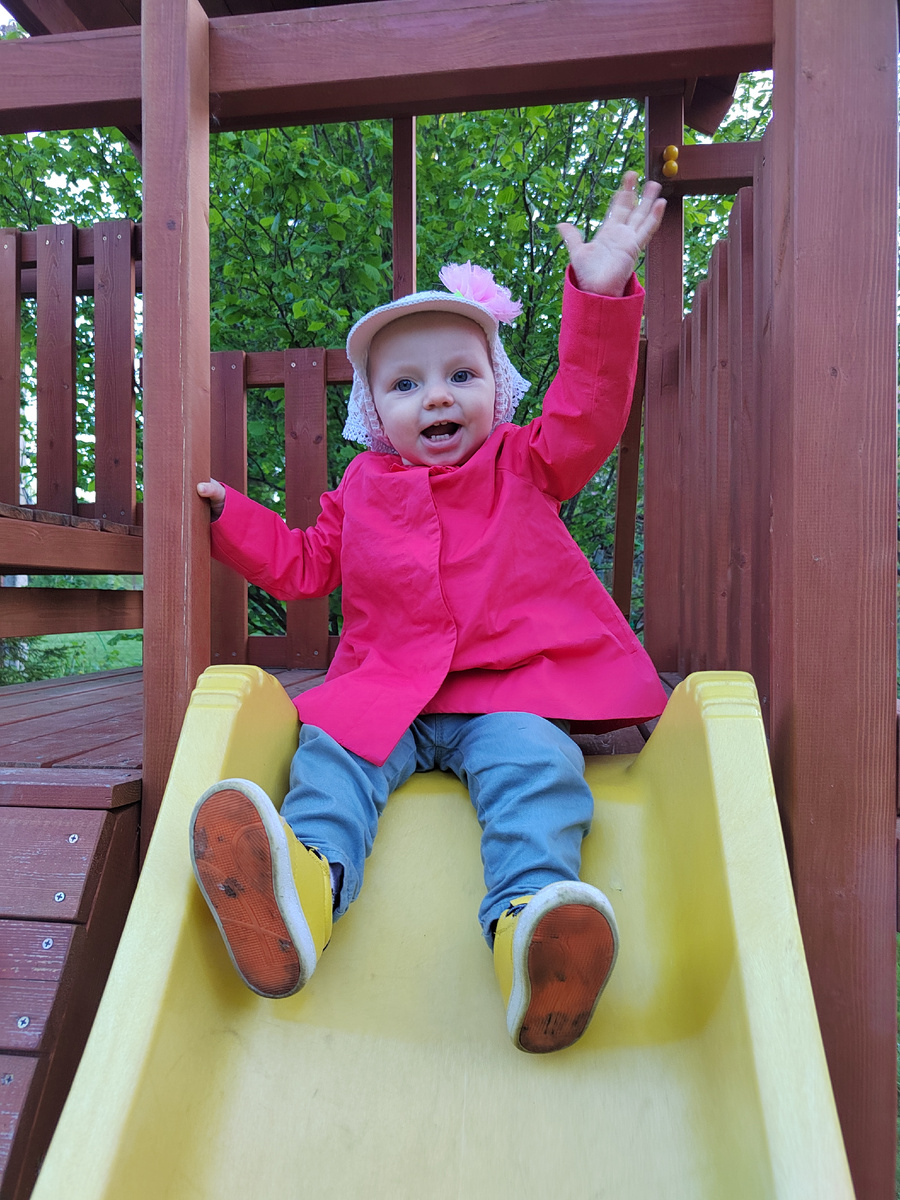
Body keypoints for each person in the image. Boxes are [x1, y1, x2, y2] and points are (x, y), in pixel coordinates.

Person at [190, 171, 668, 1054]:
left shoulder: (525, 462)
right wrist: (231, 520)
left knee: (539, 769)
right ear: (375, 413)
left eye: (461, 374)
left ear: (499, 387)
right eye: (406, 385)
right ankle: (303, 893)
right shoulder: (362, 489)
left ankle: (530, 927)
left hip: (508, 694)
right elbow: (304, 563)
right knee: (329, 761)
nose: (438, 396)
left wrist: (600, 298)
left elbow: (590, 409)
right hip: (389, 695)